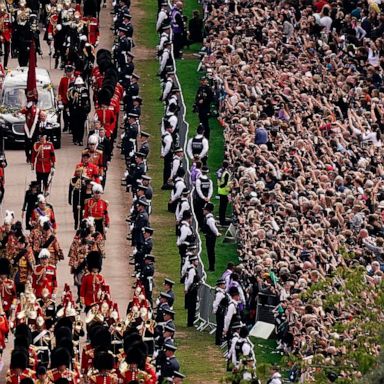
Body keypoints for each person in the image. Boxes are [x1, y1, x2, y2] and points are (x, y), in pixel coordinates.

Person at [67, 76, 91, 145]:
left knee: (81, 126)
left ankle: (80, 139)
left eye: (80, 84)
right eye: (78, 84)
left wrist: (88, 110)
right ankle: (75, 138)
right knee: (75, 125)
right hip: (75, 111)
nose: (79, 85)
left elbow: (87, 101)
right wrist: (74, 98)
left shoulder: (85, 90)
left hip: (82, 111)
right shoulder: (72, 90)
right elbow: (70, 101)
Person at [202, 202, 221, 271]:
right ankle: (211, 266)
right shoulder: (208, 218)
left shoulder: (210, 219)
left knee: (211, 252)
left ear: (207, 210)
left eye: (204, 209)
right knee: (209, 251)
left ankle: (212, 267)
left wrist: (217, 233)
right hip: (208, 236)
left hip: (210, 237)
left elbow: (213, 228)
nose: (203, 211)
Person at [57, 64, 75, 132]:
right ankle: (65, 126)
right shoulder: (63, 79)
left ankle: (71, 127)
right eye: (67, 72)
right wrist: (60, 99)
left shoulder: (74, 79)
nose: (69, 73)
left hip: (72, 100)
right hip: (65, 100)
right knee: (65, 114)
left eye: (70, 71)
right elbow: (60, 90)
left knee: (72, 114)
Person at [184, 255, 200, 327]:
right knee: (192, 306)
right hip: (192, 290)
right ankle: (190, 322)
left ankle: (191, 321)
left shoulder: (190, 269)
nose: (197, 262)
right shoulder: (192, 270)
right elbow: (190, 280)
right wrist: (186, 288)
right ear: (193, 261)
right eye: (196, 260)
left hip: (191, 289)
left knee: (192, 306)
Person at [212, 278, 228, 346]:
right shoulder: (219, 293)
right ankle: (218, 340)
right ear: (220, 285)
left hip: (222, 311)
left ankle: (219, 339)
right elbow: (216, 303)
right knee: (220, 326)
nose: (224, 285)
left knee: (220, 326)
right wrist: (215, 310)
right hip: (220, 311)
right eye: (223, 284)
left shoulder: (222, 292)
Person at [216, 160, 231, 226]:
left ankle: (222, 220)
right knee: (223, 207)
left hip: (220, 190)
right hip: (225, 191)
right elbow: (225, 183)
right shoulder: (226, 173)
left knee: (221, 207)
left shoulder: (220, 170)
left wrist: (220, 186)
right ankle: (222, 221)